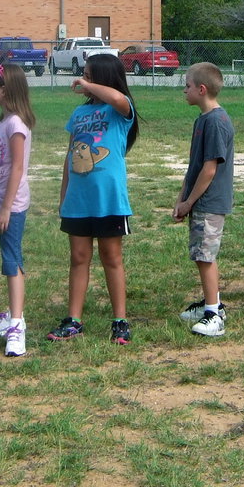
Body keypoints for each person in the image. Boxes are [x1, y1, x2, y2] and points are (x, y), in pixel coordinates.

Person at [47, 54, 139, 345]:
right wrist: (64, 195)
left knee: (111, 258)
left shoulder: (120, 109)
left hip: (109, 200)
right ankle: (74, 320)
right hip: (79, 199)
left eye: (88, 75)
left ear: (101, 78)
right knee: (78, 258)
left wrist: (89, 84)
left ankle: (120, 321)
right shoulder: (78, 114)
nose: (82, 79)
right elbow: (69, 155)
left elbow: (117, 97)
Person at [173, 62, 236, 338]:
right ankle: (211, 303)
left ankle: (214, 313)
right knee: (201, 253)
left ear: (201, 89)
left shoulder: (217, 122)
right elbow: (194, 166)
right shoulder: (202, 120)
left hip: (209, 202)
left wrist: (190, 202)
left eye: (187, 86)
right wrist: (182, 198)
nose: (183, 91)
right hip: (199, 200)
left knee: (205, 256)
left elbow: (210, 169)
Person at [0, 64, 36, 357]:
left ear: (5, 91)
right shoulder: (2, 123)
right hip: (2, 202)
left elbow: (16, 167)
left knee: (12, 262)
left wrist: (5, 209)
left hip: (13, 205)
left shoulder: (16, 124)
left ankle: (16, 326)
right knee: (8, 258)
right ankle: (13, 315)